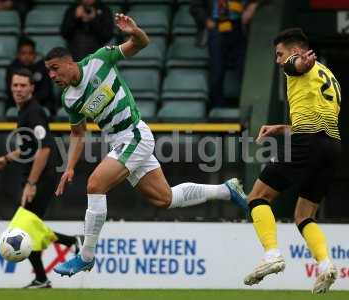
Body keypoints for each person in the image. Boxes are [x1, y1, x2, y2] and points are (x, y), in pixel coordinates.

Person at [44, 13, 248, 277]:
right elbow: (78, 134)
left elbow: (141, 43)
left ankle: (86, 256)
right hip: (120, 142)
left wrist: (135, 31)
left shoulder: (100, 60)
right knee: (166, 198)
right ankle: (226, 190)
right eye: (48, 71)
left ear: (69, 62)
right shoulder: (69, 99)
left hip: (134, 134)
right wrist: (69, 167)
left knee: (95, 184)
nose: (51, 75)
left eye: (55, 68)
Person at [243, 28, 341, 294]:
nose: (278, 60)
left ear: (295, 50)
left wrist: (298, 62)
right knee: (304, 214)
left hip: (306, 143)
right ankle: (325, 265)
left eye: (279, 54)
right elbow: (316, 122)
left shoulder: (295, 63)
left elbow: (294, 65)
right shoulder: (329, 76)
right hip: (332, 147)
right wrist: (280, 127)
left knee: (257, 197)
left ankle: (272, 254)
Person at [0, 69, 83, 288]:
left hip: (42, 177)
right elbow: (28, 147)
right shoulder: (24, 112)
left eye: (23, 85)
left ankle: (71, 243)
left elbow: (45, 150)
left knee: (23, 227)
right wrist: (5, 159)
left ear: (32, 88)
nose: (19, 89)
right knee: (29, 227)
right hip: (34, 176)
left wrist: (31, 184)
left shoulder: (34, 112)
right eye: (15, 85)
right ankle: (43, 275)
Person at [190, 0, 259, 107]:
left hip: (239, 27)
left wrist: (253, 5)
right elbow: (195, 7)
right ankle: (217, 108)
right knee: (217, 70)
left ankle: (245, 107)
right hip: (216, 27)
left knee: (244, 69)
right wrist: (207, 21)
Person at [6, 37, 55, 113]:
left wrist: (30, 103)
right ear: (18, 54)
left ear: (35, 54)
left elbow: (46, 91)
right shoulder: (12, 69)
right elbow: (10, 91)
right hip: (18, 104)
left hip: (40, 103)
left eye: (30, 53)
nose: (27, 57)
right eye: (23, 53)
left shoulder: (43, 67)